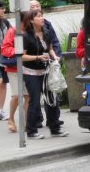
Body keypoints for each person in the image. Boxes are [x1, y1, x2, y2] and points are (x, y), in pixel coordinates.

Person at [19, 9, 68, 139]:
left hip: (46, 70)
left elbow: (50, 49)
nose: (42, 18)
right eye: (38, 16)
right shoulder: (26, 36)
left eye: (42, 16)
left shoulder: (46, 32)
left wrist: (55, 57)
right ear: (31, 20)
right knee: (34, 101)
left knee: (51, 99)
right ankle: (31, 131)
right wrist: (38, 57)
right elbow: (21, 56)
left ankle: (55, 127)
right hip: (31, 72)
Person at [0, 23, 29, 133]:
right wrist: (19, 51)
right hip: (14, 69)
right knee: (16, 95)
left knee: (28, 96)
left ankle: (27, 123)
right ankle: (11, 119)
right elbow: (5, 49)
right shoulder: (13, 31)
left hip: (29, 68)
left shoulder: (33, 30)